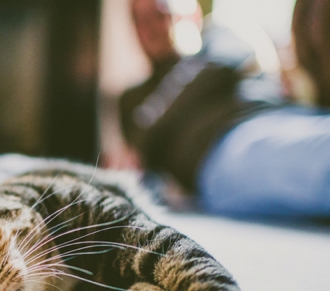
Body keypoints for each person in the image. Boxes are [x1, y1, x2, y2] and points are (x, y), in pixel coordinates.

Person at [112, 0, 330, 219]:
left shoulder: (221, 39)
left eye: (161, 15)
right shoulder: (132, 99)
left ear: (192, 14)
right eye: (140, 21)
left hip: (283, 119)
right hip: (228, 150)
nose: (150, 29)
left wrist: (144, 135)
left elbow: (217, 66)